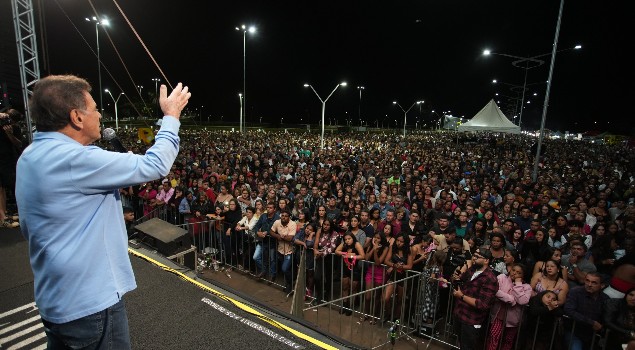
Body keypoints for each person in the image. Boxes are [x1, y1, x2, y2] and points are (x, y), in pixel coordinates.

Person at [16, 75, 190, 348]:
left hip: (55, 298)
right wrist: (171, 116)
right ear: (76, 116)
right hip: (89, 302)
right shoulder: (76, 160)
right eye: (95, 108)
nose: (100, 115)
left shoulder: (30, 156)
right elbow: (155, 165)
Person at [451, 247, 498, 350]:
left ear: (486, 260)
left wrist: (462, 296)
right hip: (460, 314)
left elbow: (483, 304)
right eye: (474, 256)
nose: (474, 258)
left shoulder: (490, 279)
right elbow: (460, 284)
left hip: (472, 320)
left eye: (477, 257)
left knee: (468, 346)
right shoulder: (472, 270)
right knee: (459, 343)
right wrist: (456, 278)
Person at [486, 263, 531, 350]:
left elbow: (523, 301)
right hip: (498, 316)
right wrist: (510, 299)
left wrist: (518, 283)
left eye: (519, 273)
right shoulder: (502, 277)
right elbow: (494, 290)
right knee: (493, 336)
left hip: (513, 320)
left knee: (508, 341)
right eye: (513, 270)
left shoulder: (526, 287)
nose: (514, 273)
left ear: (523, 275)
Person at [563, 272, 609, 350]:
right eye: (587, 281)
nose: (589, 284)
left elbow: (606, 318)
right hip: (574, 332)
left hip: (593, 336)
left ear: (602, 286)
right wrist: (591, 322)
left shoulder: (605, 299)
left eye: (594, 282)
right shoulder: (575, 292)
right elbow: (569, 310)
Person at [0, 108, 24, 227]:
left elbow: (20, 144)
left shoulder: (14, 128)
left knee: (4, 188)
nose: (7, 121)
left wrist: (9, 134)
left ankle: (4, 215)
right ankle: (2, 218)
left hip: (9, 160)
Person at [335, 232, 365, 315]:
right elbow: (337, 251)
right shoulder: (344, 244)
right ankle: (345, 305)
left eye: (349, 239)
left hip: (355, 269)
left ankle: (351, 306)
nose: (347, 241)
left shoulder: (357, 244)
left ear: (353, 238)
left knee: (353, 289)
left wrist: (351, 256)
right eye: (345, 239)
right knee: (345, 287)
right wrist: (345, 254)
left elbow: (363, 256)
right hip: (345, 268)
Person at [269, 209, 298, 293]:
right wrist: (278, 236)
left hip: (290, 250)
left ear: (289, 217)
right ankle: (290, 282)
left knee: (284, 269)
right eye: (282, 216)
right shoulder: (277, 222)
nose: (284, 217)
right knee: (286, 269)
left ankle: (290, 283)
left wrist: (281, 237)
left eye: (286, 216)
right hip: (280, 250)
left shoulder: (293, 224)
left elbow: (290, 238)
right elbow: (271, 231)